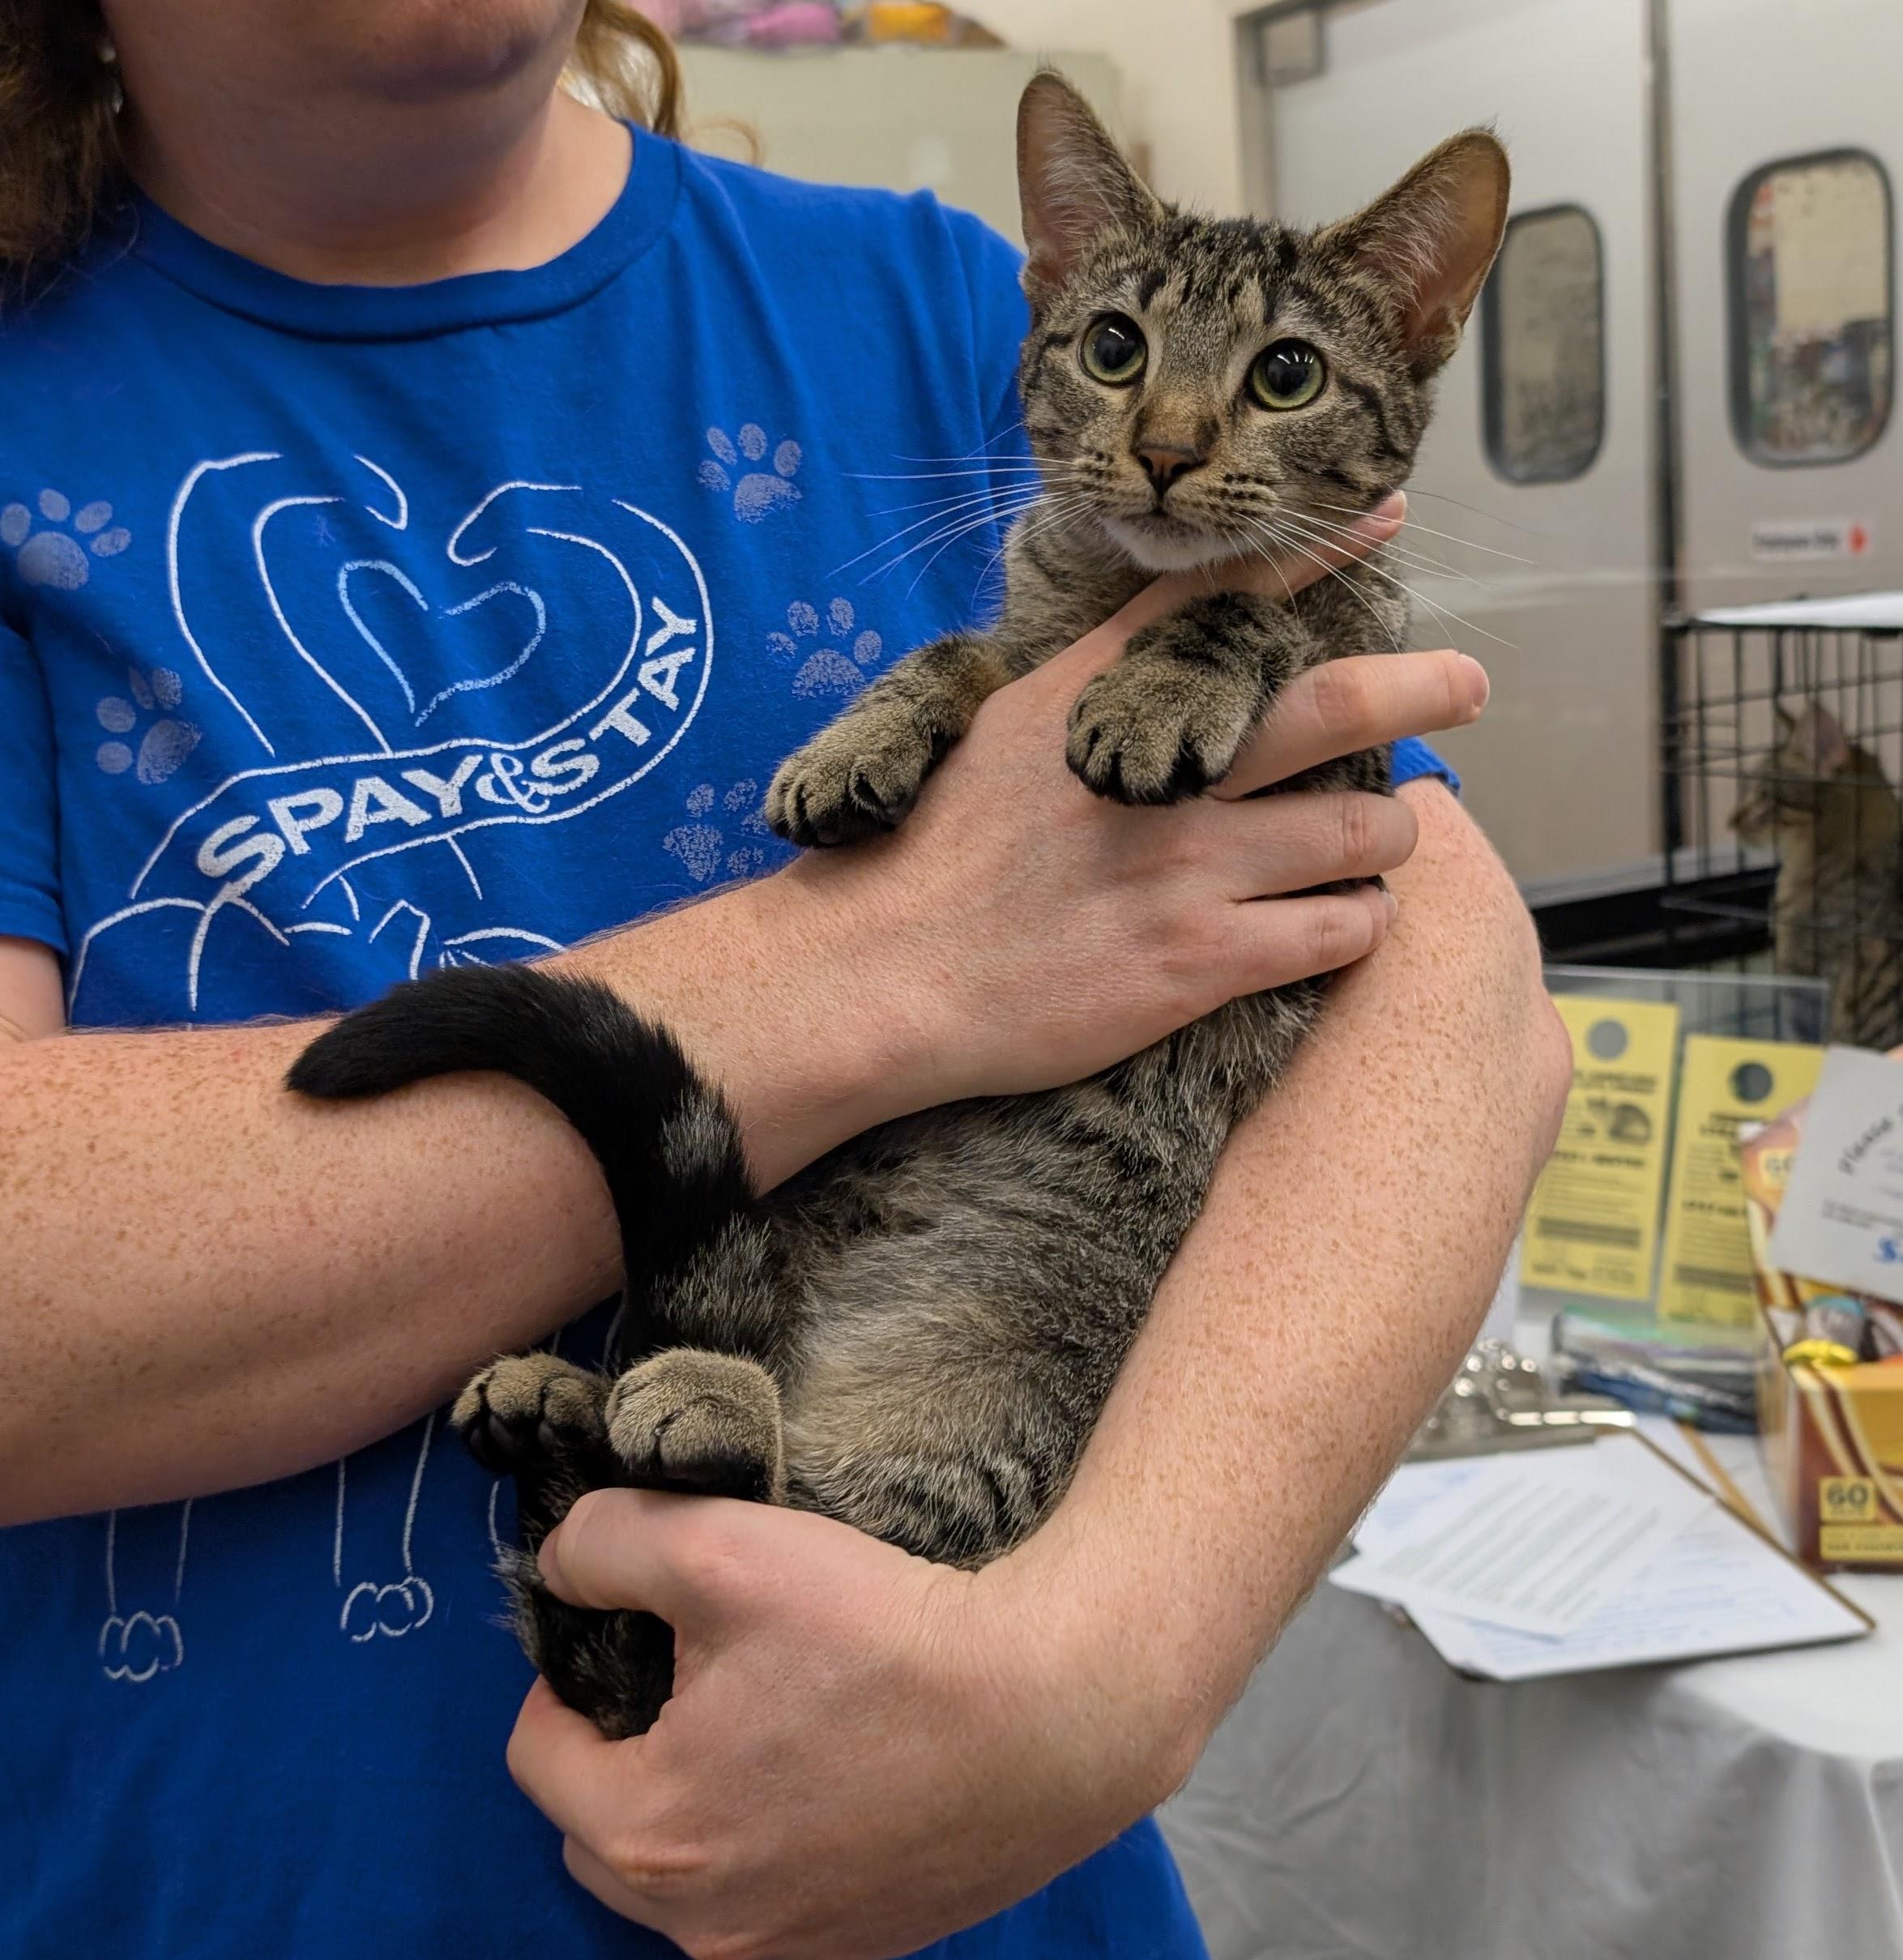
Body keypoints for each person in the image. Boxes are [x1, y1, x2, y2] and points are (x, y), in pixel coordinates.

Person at [0, 4, 1570, 1956]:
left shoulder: (925, 297)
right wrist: (870, 966)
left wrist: (1094, 1668)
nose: (1170, 428)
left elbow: (1454, 984)